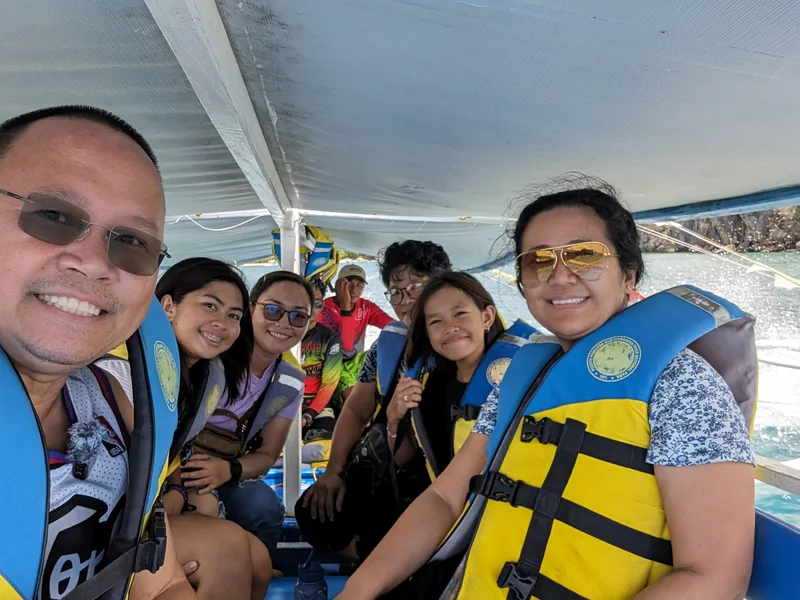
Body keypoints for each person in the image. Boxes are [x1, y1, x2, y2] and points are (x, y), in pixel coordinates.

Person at [337, 178, 757, 599]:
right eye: (537, 262)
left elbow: (714, 577)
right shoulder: (523, 377)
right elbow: (446, 499)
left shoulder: (683, 385)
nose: (559, 277)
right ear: (522, 283)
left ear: (628, 273)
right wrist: (357, 591)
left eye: (583, 255)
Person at [0, 105, 195, 598]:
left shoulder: (108, 404)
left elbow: (163, 582)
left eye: (132, 241)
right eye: (52, 215)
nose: (93, 263)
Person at [295, 241, 452, 561]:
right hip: (392, 465)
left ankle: (384, 560)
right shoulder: (389, 346)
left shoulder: (462, 343)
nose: (406, 301)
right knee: (314, 512)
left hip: (444, 477)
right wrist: (333, 472)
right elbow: (355, 408)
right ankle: (367, 556)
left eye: (417, 287)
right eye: (396, 291)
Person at [154, 258, 272, 600]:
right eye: (210, 306)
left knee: (260, 561)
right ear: (169, 306)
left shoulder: (203, 377)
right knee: (227, 543)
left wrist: (177, 492)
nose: (222, 324)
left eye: (234, 316)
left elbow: (171, 458)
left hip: (160, 508)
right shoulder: (132, 370)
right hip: (112, 524)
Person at [182, 271, 313, 561]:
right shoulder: (211, 349)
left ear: (309, 324)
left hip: (224, 468)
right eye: (273, 310)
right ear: (250, 309)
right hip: (173, 465)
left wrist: (228, 471)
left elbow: (267, 456)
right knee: (204, 511)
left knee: (263, 506)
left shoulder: (290, 382)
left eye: (298, 316)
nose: (283, 323)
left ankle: (257, 571)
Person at [319, 264, 393, 403]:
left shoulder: (366, 307)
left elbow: (393, 327)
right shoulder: (325, 309)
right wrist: (346, 308)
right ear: (339, 286)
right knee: (353, 398)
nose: (354, 290)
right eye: (349, 284)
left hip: (356, 361)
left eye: (359, 285)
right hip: (332, 364)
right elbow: (345, 346)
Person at [301, 279, 343, 438]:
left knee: (324, 449)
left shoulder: (330, 339)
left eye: (317, 304)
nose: (310, 311)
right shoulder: (280, 335)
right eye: (305, 303)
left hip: (318, 407)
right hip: (281, 405)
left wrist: (308, 415)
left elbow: (329, 384)